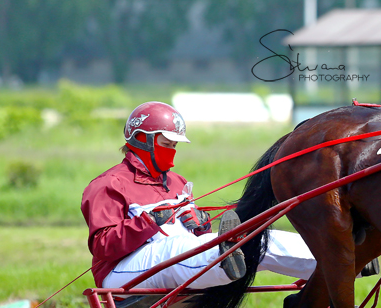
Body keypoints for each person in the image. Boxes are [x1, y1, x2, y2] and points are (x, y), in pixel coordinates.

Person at [81, 101, 317, 292]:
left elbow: (194, 239)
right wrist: (149, 221)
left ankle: (336, 260)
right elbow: (103, 246)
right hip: (119, 273)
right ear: (142, 139)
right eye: (166, 144)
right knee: (174, 247)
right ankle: (224, 259)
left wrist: (200, 225)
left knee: (260, 240)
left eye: (174, 145)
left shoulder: (177, 181)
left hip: (174, 260)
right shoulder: (108, 184)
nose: (172, 151)